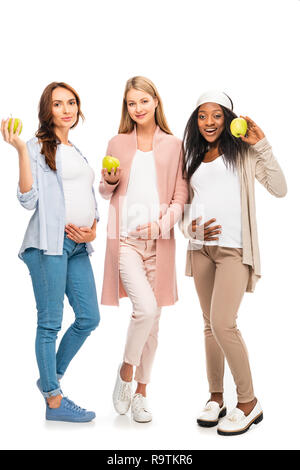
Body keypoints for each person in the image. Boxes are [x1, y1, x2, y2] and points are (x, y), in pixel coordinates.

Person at [180, 90, 287, 436]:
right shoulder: (193, 155)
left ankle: (248, 402)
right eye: (202, 116)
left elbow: (280, 188)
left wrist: (263, 144)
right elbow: (182, 206)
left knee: (223, 322)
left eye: (216, 115)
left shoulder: (243, 153)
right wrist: (187, 227)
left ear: (228, 118)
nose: (209, 122)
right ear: (196, 121)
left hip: (234, 251)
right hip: (200, 250)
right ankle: (216, 398)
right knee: (209, 325)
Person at [1, 82, 100, 423]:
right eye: (58, 104)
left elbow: (85, 195)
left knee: (89, 318)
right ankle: (54, 401)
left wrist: (94, 228)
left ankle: (48, 380)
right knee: (50, 324)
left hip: (77, 245)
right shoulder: (35, 146)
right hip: (48, 246)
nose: (67, 109)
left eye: (71, 102)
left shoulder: (75, 149)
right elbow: (28, 199)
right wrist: (17, 150)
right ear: (48, 110)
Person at [99, 76, 189, 423]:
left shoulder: (173, 144)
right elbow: (106, 191)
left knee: (153, 321)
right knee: (146, 309)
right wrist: (108, 180)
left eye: (143, 101)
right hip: (124, 240)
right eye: (131, 103)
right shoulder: (117, 142)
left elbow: (180, 195)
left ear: (155, 102)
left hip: (160, 243)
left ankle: (140, 393)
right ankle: (125, 371)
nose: (137, 109)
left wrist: (161, 225)